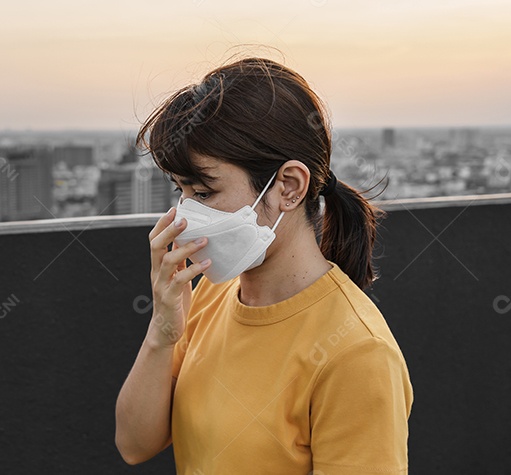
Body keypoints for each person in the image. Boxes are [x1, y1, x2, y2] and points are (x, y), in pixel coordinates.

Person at [114, 57, 413, 474]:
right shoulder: (214, 291)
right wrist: (163, 332)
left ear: (288, 187)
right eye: (181, 191)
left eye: (203, 191)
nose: (184, 214)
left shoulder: (357, 354)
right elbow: (133, 444)